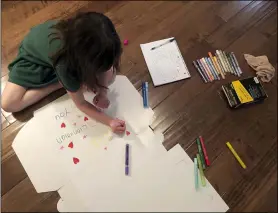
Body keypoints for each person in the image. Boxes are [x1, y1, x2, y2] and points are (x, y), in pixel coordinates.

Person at [1, 12, 126, 133]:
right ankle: (59, 84)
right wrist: (109, 121)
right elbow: (81, 104)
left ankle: (65, 82)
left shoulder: (87, 35)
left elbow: (108, 69)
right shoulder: (65, 64)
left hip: (58, 53)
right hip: (34, 58)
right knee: (8, 104)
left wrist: (103, 92)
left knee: (110, 74)